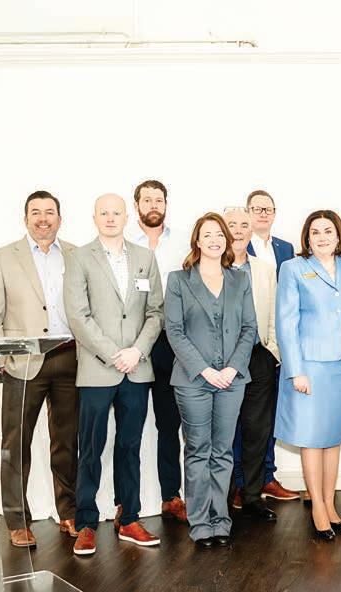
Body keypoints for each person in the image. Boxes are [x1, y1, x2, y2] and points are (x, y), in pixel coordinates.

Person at [64, 194, 163, 555]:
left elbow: (155, 312)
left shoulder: (145, 258)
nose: (110, 218)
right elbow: (78, 315)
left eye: (116, 212)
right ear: (94, 218)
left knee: (130, 447)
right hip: (97, 369)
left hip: (136, 368)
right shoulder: (79, 258)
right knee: (90, 449)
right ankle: (86, 522)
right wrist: (112, 354)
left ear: (127, 217)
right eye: (103, 213)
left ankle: (129, 517)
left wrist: (136, 351)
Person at [0, 190, 80, 546]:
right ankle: (17, 520)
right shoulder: (3, 257)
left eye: (49, 212)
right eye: (35, 212)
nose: (43, 218)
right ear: (25, 219)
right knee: (16, 444)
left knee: (67, 442)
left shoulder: (76, 255)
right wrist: (4, 360)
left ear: (59, 219)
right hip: (22, 363)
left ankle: (68, 511)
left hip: (69, 358)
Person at [275, 210, 341, 541]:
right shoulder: (293, 268)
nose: (322, 237)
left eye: (328, 231)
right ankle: (317, 506)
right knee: (311, 438)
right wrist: (296, 371)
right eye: (315, 232)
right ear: (307, 237)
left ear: (337, 235)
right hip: (310, 367)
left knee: (332, 438)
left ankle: (330, 505)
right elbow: (286, 323)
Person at [164, 212, 257, 548]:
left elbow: (249, 328)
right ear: (197, 241)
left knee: (223, 451)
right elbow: (174, 330)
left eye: (220, 234)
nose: (215, 240)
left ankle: (221, 519)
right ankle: (201, 522)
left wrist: (232, 369)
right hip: (193, 380)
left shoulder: (240, 279)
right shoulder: (179, 280)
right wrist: (205, 370)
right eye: (208, 234)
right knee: (197, 450)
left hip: (232, 379)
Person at [223, 207, 298, 519]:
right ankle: (224, 498)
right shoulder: (210, 268)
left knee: (257, 430)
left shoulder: (265, 269)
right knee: (225, 432)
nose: (239, 230)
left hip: (259, 357)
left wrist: (272, 353)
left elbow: (275, 314)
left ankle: (252, 495)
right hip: (223, 361)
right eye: (232, 224)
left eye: (244, 225)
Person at [125, 179, 188, 524]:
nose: (153, 204)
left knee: (168, 423)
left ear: (166, 204)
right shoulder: (123, 242)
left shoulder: (182, 242)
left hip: (169, 342)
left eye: (158, 200)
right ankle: (125, 502)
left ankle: (171, 496)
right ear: (136, 205)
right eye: (147, 199)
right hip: (132, 343)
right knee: (130, 426)